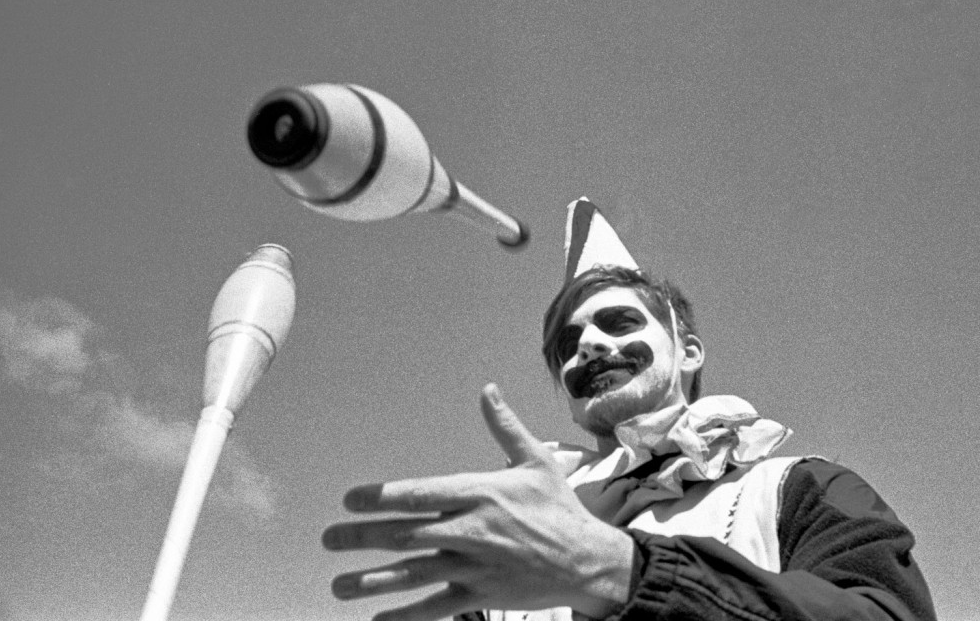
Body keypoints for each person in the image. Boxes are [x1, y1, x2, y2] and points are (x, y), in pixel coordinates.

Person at [322, 198, 936, 621]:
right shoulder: (508, 543)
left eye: (620, 322)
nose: (588, 345)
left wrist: (624, 574)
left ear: (689, 351)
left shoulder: (800, 487)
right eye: (567, 345)